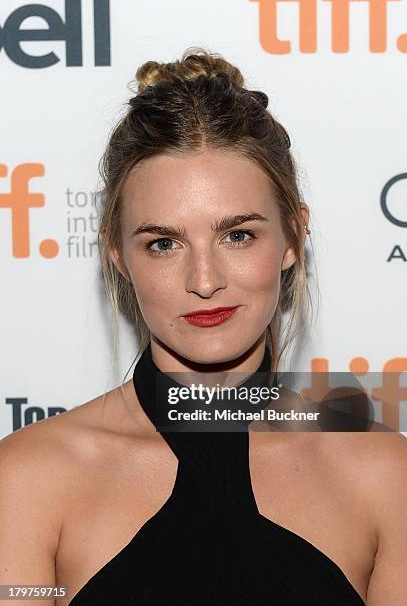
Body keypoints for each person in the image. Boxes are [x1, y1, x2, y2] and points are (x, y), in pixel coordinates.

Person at [0, 47, 406, 606]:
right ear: (117, 253)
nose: (205, 280)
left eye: (237, 235)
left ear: (292, 235)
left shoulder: (386, 475)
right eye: (163, 243)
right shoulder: (27, 479)